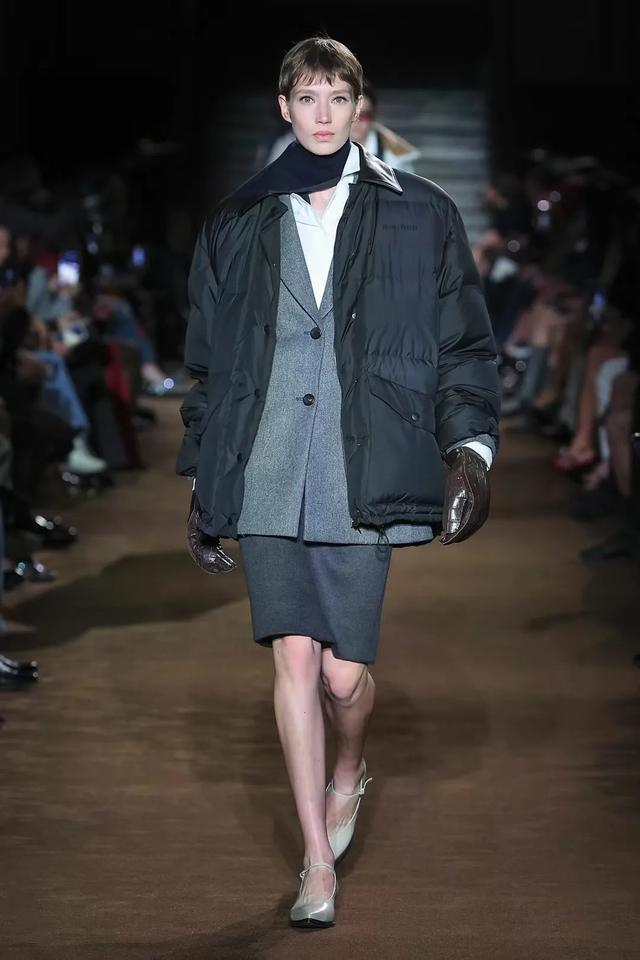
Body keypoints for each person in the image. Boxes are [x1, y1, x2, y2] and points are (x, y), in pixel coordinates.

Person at [178, 36, 500, 928]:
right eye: (307, 98)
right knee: (292, 656)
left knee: (345, 676)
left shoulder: (420, 211)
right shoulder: (239, 218)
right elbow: (211, 359)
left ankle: (350, 766)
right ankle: (316, 862)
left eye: (338, 98)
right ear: (284, 107)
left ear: (361, 108)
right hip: (269, 456)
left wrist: (470, 448)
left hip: (366, 455)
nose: (322, 114)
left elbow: (463, 340)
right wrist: (205, 476)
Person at [265, 80, 419, 173]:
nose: (356, 121)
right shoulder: (291, 146)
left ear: (373, 117)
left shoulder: (395, 157)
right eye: (350, 114)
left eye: (364, 115)